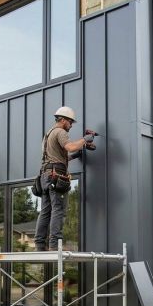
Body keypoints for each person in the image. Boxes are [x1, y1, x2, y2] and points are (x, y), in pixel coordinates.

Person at [34, 106, 96, 251]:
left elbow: (57, 157)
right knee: (59, 209)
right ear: (62, 120)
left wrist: (75, 156)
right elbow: (71, 146)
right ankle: (55, 246)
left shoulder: (48, 134)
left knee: (45, 211)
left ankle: (39, 244)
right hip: (56, 176)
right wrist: (85, 140)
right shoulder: (60, 132)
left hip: (45, 176)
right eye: (70, 121)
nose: (71, 125)